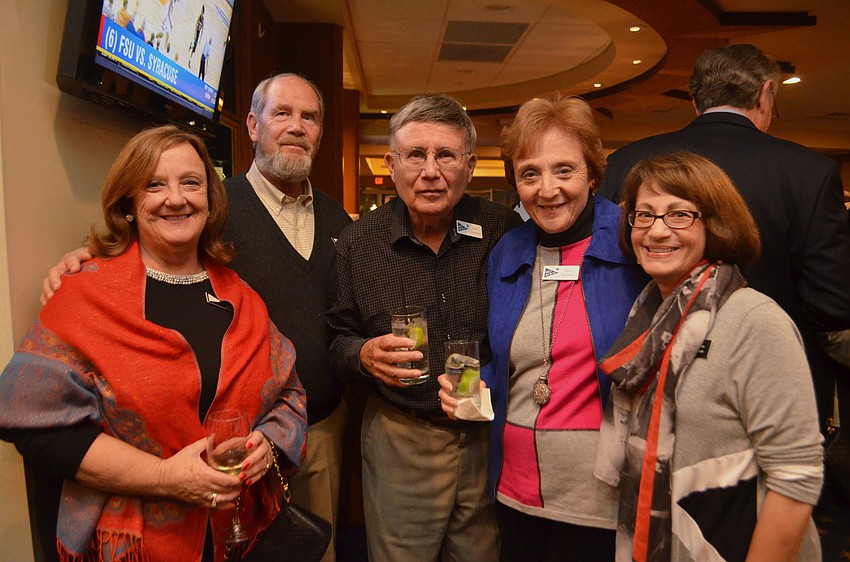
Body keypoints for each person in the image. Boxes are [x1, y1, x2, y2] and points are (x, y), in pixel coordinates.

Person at [41, 73, 353, 562]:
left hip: (286, 449)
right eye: (281, 113)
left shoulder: (334, 223)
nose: (178, 198)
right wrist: (81, 262)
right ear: (252, 125)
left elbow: (318, 344)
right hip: (142, 522)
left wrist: (271, 443)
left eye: (309, 117)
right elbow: (148, 251)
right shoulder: (211, 212)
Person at [0, 125, 307, 562]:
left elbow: (289, 394)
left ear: (210, 199)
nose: (176, 198)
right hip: (131, 544)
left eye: (191, 183)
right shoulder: (85, 295)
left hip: (233, 535)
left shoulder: (241, 297)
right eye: (154, 185)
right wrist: (165, 478)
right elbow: (34, 423)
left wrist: (269, 445)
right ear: (128, 203)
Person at [598, 44, 850, 433]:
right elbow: (831, 304)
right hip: (769, 386)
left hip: (646, 381)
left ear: (695, 97)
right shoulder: (809, 173)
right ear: (766, 94)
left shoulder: (626, 162)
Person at [438, 96, 647, 560]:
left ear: (593, 173)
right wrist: (469, 389)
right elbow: (499, 359)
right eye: (529, 173)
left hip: (602, 495)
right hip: (516, 487)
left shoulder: (635, 244)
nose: (546, 189)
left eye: (564, 170)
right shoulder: (509, 251)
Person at [596, 152, 823, 561]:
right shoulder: (649, 316)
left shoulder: (753, 320)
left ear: (715, 224)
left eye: (679, 215)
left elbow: (796, 478)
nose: (656, 231)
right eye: (644, 215)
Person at [326, 93, 522, 561]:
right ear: (392, 164)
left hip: (487, 431)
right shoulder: (358, 242)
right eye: (415, 155)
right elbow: (334, 339)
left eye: (445, 155)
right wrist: (363, 354)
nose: (430, 171)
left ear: (470, 166)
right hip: (401, 437)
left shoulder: (502, 230)